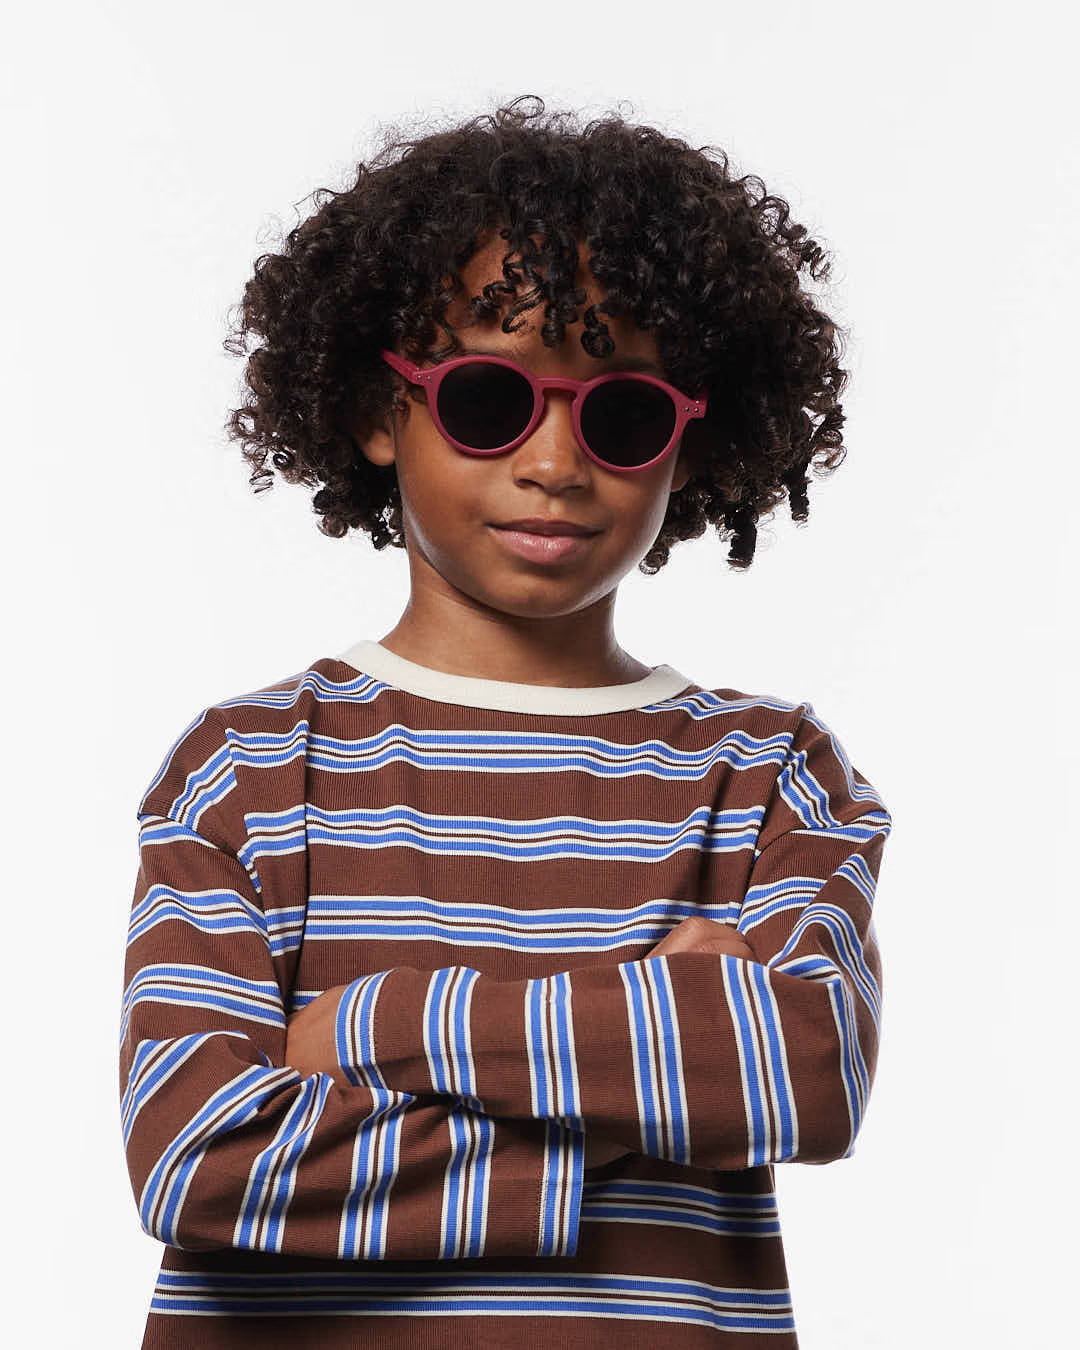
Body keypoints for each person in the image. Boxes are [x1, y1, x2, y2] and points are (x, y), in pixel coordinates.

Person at [119, 94, 892, 1348]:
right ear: (376, 411)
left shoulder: (766, 774)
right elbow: (200, 1158)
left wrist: (376, 1024)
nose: (554, 463)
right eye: (489, 399)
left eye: (623, 413)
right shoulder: (250, 769)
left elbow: (800, 1071)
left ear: (691, 444)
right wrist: (648, 1073)